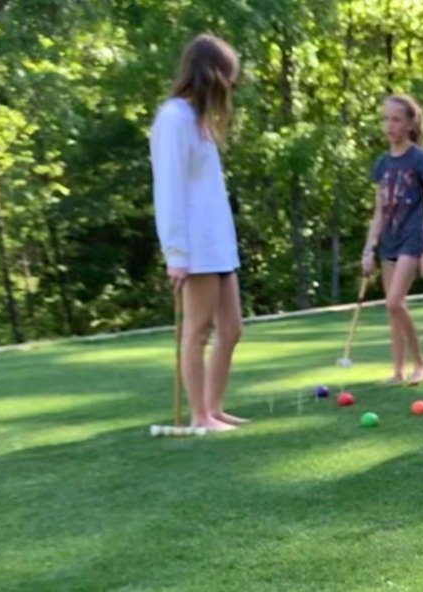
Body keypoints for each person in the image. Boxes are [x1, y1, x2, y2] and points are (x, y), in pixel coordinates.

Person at [150, 34, 246, 431]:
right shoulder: (172, 119)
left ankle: (214, 406)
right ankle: (199, 416)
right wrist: (177, 255)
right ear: (211, 75)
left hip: (218, 242)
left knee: (232, 329)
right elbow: (168, 189)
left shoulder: (200, 122)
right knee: (198, 331)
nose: (232, 88)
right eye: (229, 78)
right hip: (194, 248)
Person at [361, 95, 423, 386]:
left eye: (396, 119)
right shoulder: (382, 164)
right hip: (388, 240)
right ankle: (398, 371)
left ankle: (420, 362)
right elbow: (379, 211)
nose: (389, 125)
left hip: (412, 238)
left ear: (410, 124)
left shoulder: (419, 159)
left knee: (395, 302)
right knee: (391, 308)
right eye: (385, 119)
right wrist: (369, 249)